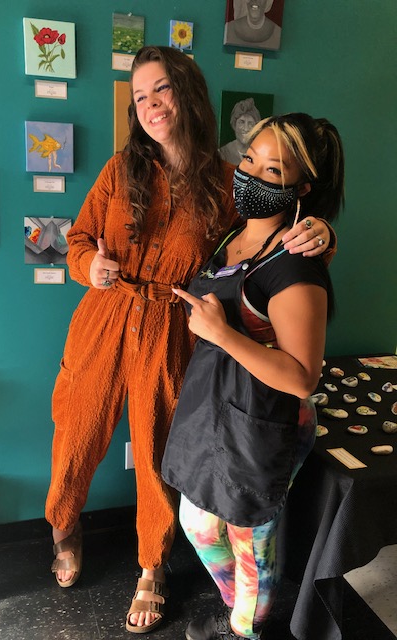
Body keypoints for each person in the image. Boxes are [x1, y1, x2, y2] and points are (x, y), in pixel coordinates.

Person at [44, 46, 333, 635]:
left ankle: (152, 565)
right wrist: (87, 266)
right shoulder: (118, 171)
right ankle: (63, 527)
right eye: (140, 95)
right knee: (76, 430)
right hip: (104, 316)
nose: (150, 104)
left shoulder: (229, 183)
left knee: (157, 448)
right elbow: (78, 238)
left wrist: (323, 231)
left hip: (174, 327)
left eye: (162, 89)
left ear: (189, 94)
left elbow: (270, 242)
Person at [161, 112, 345, 640]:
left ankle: (244, 629)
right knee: (198, 523)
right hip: (215, 403)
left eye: (273, 171)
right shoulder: (233, 234)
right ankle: (238, 604)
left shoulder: (297, 264)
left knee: (249, 538)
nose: (250, 176)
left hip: (266, 415)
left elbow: (303, 378)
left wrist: (223, 335)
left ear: (301, 189)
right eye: (249, 159)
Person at [219, 97, 261, 166]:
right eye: (242, 122)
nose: (246, 128)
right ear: (234, 125)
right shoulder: (223, 153)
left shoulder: (261, 154)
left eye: (250, 123)